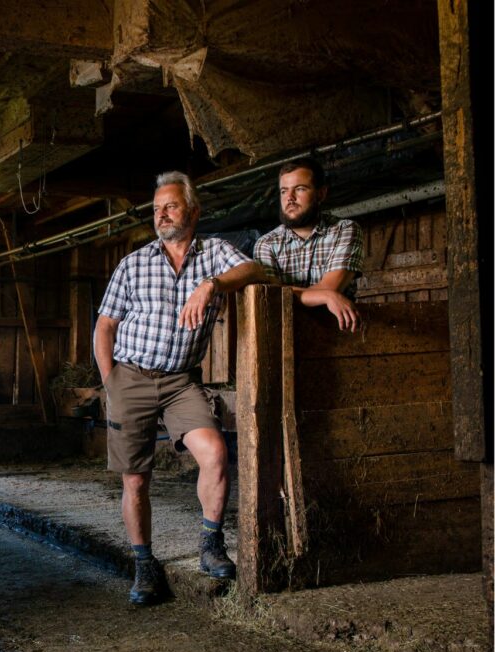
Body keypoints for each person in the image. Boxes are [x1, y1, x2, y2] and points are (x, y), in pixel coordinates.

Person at [94, 171, 265, 605]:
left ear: (192, 210)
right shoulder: (134, 262)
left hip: (180, 380)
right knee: (136, 479)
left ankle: (210, 545)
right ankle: (144, 566)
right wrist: (109, 380)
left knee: (215, 453)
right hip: (130, 376)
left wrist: (212, 285)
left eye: (170, 206)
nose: (161, 215)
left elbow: (255, 268)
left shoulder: (214, 254)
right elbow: (105, 326)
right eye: (156, 209)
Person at [254, 158, 363, 331]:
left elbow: (331, 287)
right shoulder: (266, 243)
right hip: (283, 332)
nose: (289, 198)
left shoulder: (345, 230)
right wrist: (326, 296)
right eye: (284, 191)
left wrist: (326, 292)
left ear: (321, 194)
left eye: (300, 189)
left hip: (338, 331)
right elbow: (274, 297)